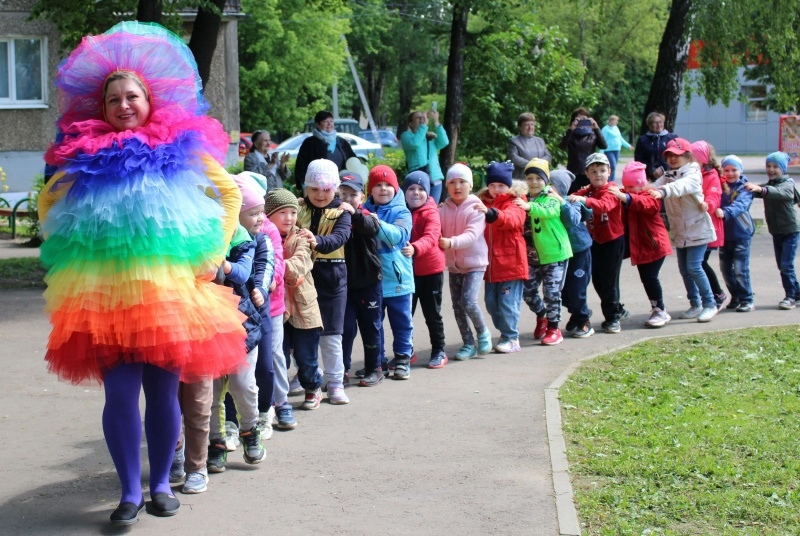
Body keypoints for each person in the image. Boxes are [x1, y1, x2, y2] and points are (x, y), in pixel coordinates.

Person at [37, 22, 246, 525]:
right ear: (102, 107)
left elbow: (230, 194)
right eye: (113, 99)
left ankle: (160, 485)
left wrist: (214, 255)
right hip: (106, 297)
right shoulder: (85, 152)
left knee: (163, 393)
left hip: (170, 294)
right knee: (120, 396)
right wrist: (69, 252)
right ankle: (129, 492)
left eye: (132, 96)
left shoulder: (182, 146)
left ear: (150, 100)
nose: (123, 105)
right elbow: (47, 203)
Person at [206, 177, 271, 474]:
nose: (260, 218)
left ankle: (249, 429)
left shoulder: (247, 241)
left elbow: (243, 273)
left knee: (243, 385)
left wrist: (220, 263)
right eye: (254, 212)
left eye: (261, 212)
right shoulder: (203, 237)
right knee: (211, 391)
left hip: (242, 326)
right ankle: (216, 443)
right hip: (208, 325)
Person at [297, 159, 352, 402]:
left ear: (335, 188)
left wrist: (316, 240)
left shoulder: (343, 213)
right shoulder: (298, 209)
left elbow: (339, 238)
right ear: (306, 188)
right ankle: (309, 377)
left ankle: (336, 382)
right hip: (303, 280)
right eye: (314, 189)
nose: (320, 194)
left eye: (327, 189)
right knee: (304, 335)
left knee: (331, 336)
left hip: (332, 280)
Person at [267, 188, 325, 408]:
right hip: (277, 309)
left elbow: (301, 262)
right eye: (282, 212)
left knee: (306, 357)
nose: (289, 218)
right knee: (278, 356)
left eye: (293, 212)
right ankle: (277, 397)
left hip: (304, 307)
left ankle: (313, 387)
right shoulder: (263, 237)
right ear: (269, 214)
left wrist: (272, 267)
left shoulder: (302, 237)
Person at [649, 138, 718, 322]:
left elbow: (680, 186)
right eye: (669, 155)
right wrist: (634, 190)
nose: (672, 158)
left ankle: (710, 304)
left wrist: (662, 192)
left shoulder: (693, 174)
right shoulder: (669, 174)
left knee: (694, 267)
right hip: (680, 231)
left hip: (697, 229)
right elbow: (653, 186)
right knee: (684, 270)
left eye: (677, 155)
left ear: (688, 156)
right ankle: (695, 304)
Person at [364, 165, 416, 379]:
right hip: (372, 281)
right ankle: (378, 362)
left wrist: (375, 222)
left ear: (395, 188)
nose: (383, 189)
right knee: (374, 325)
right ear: (370, 189)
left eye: (388, 184)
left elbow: (398, 236)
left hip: (398, 279)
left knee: (402, 323)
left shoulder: (402, 211)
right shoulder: (363, 210)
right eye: (378, 185)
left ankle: (403, 359)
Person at [515, 159, 573, 345]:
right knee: (527, 292)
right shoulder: (521, 198)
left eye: (538, 178)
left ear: (546, 180)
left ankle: (554, 329)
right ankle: (542, 316)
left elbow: (548, 211)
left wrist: (529, 207)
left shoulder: (551, 197)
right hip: (531, 257)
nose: (533, 182)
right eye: (529, 178)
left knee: (551, 293)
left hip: (554, 254)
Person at [608, 162, 673, 327]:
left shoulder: (651, 194)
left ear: (642, 184)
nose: (628, 189)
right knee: (646, 278)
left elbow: (643, 203)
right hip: (639, 246)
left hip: (655, 245)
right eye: (626, 186)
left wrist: (623, 196)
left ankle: (660, 310)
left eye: (632, 186)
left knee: (650, 277)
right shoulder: (625, 193)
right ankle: (656, 308)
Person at [568, 153, 627, 333]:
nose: (598, 174)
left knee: (609, 282)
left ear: (609, 171)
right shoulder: (588, 190)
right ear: (587, 173)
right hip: (595, 242)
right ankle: (614, 309)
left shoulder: (612, 190)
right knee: (597, 280)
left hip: (613, 241)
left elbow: (603, 206)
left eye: (602, 170)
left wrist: (584, 200)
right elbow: (572, 196)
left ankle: (613, 317)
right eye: (593, 171)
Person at [438, 164, 492, 359]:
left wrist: (451, 242)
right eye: (452, 182)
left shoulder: (476, 208)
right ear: (447, 185)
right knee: (457, 306)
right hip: (454, 266)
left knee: (468, 301)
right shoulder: (443, 209)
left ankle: (483, 332)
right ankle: (468, 344)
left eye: (462, 182)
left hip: (474, 263)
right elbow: (435, 227)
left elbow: (472, 235)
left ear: (471, 185)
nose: (457, 186)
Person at [338, 170, 385, 385]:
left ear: (362, 197)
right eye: (343, 194)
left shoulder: (367, 216)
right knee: (345, 329)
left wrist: (355, 214)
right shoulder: (333, 217)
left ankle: (374, 368)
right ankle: (342, 370)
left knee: (370, 326)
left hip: (368, 282)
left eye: (353, 195)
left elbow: (370, 227)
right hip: (344, 285)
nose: (347, 199)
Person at [475, 161, 528, 352]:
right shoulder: (481, 201)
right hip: (490, 265)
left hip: (512, 264)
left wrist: (491, 213)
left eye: (501, 185)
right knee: (491, 303)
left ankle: (511, 338)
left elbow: (512, 219)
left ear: (509, 185)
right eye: (492, 185)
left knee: (507, 303)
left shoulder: (516, 201)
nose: (496, 189)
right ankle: (506, 332)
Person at [402, 171, 448, 367]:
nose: (416, 192)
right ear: (404, 191)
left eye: (421, 189)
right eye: (411, 188)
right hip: (407, 272)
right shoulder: (400, 210)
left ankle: (439, 350)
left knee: (432, 315)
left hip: (430, 271)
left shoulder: (431, 212)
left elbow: (431, 237)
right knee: (405, 315)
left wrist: (415, 248)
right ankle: (406, 351)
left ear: (428, 193)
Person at [744, 151, 800, 309]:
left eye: (775, 166)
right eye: (768, 166)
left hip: (790, 231)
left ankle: (790, 297)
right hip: (776, 231)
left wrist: (760, 190)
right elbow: (761, 191)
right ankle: (797, 293)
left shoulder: (786, 184)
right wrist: (744, 187)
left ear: (783, 168)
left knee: (786, 266)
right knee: (783, 265)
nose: (771, 169)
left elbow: (781, 193)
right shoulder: (770, 185)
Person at [548, 169, 594, 338]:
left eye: (551, 185)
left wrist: (561, 201)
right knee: (562, 293)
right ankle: (577, 312)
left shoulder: (572, 202)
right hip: (560, 254)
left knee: (576, 289)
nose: (546, 188)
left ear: (561, 188)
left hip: (579, 252)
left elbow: (571, 220)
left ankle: (584, 321)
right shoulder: (545, 203)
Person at [715, 155, 755, 312]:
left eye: (734, 170)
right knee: (725, 270)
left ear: (740, 170)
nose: (730, 173)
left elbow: (741, 205)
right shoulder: (720, 185)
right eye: (726, 170)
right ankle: (736, 296)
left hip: (741, 234)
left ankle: (747, 299)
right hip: (724, 235)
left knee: (740, 269)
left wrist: (725, 212)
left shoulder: (745, 188)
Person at [691, 141, 727, 307]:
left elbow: (714, 197)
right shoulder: (692, 173)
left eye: (693, 158)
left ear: (702, 159)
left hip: (708, 226)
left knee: (699, 263)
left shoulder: (711, 175)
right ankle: (710, 295)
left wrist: (708, 205)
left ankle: (717, 293)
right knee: (697, 263)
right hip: (697, 225)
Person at [294, 111, 357, 191]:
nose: (329, 124)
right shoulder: (309, 143)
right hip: (317, 188)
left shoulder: (342, 142)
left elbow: (352, 161)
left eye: (331, 121)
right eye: (325, 121)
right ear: (317, 124)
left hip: (340, 187)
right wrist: (305, 186)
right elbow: (301, 166)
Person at [401, 108, 449, 203]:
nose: (422, 119)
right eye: (418, 118)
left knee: (432, 208)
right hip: (417, 180)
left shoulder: (430, 137)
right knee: (416, 207)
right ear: (410, 123)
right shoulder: (406, 136)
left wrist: (436, 122)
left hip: (435, 179)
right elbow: (415, 143)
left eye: (423, 117)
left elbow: (444, 142)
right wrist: (424, 126)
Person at [560, 107, 608, 194]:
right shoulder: (570, 134)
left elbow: (603, 146)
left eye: (584, 119)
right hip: (574, 171)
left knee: (591, 195)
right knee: (573, 196)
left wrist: (596, 128)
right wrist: (571, 130)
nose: (581, 122)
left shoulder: (592, 134)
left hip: (590, 170)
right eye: (578, 119)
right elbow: (562, 146)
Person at [634, 112, 678, 182]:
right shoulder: (643, 140)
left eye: (660, 122)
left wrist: (663, 168)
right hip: (649, 176)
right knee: (652, 188)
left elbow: (676, 156)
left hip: (669, 173)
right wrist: (651, 170)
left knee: (667, 187)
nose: (659, 125)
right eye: (655, 123)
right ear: (649, 125)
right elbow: (639, 159)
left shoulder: (672, 138)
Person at [507, 112, 552, 180]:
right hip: (522, 179)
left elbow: (548, 156)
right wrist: (532, 165)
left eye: (532, 124)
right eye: (527, 125)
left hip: (540, 178)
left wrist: (539, 164)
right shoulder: (514, 141)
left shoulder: (540, 141)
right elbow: (514, 158)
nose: (530, 127)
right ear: (520, 127)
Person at [600, 115, 632, 181]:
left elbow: (620, 138)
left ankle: (612, 181)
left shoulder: (616, 128)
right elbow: (603, 141)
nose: (617, 122)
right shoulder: (605, 129)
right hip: (609, 150)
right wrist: (601, 153)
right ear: (611, 121)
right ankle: (608, 180)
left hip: (617, 149)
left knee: (614, 167)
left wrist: (628, 146)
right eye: (616, 120)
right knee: (613, 166)